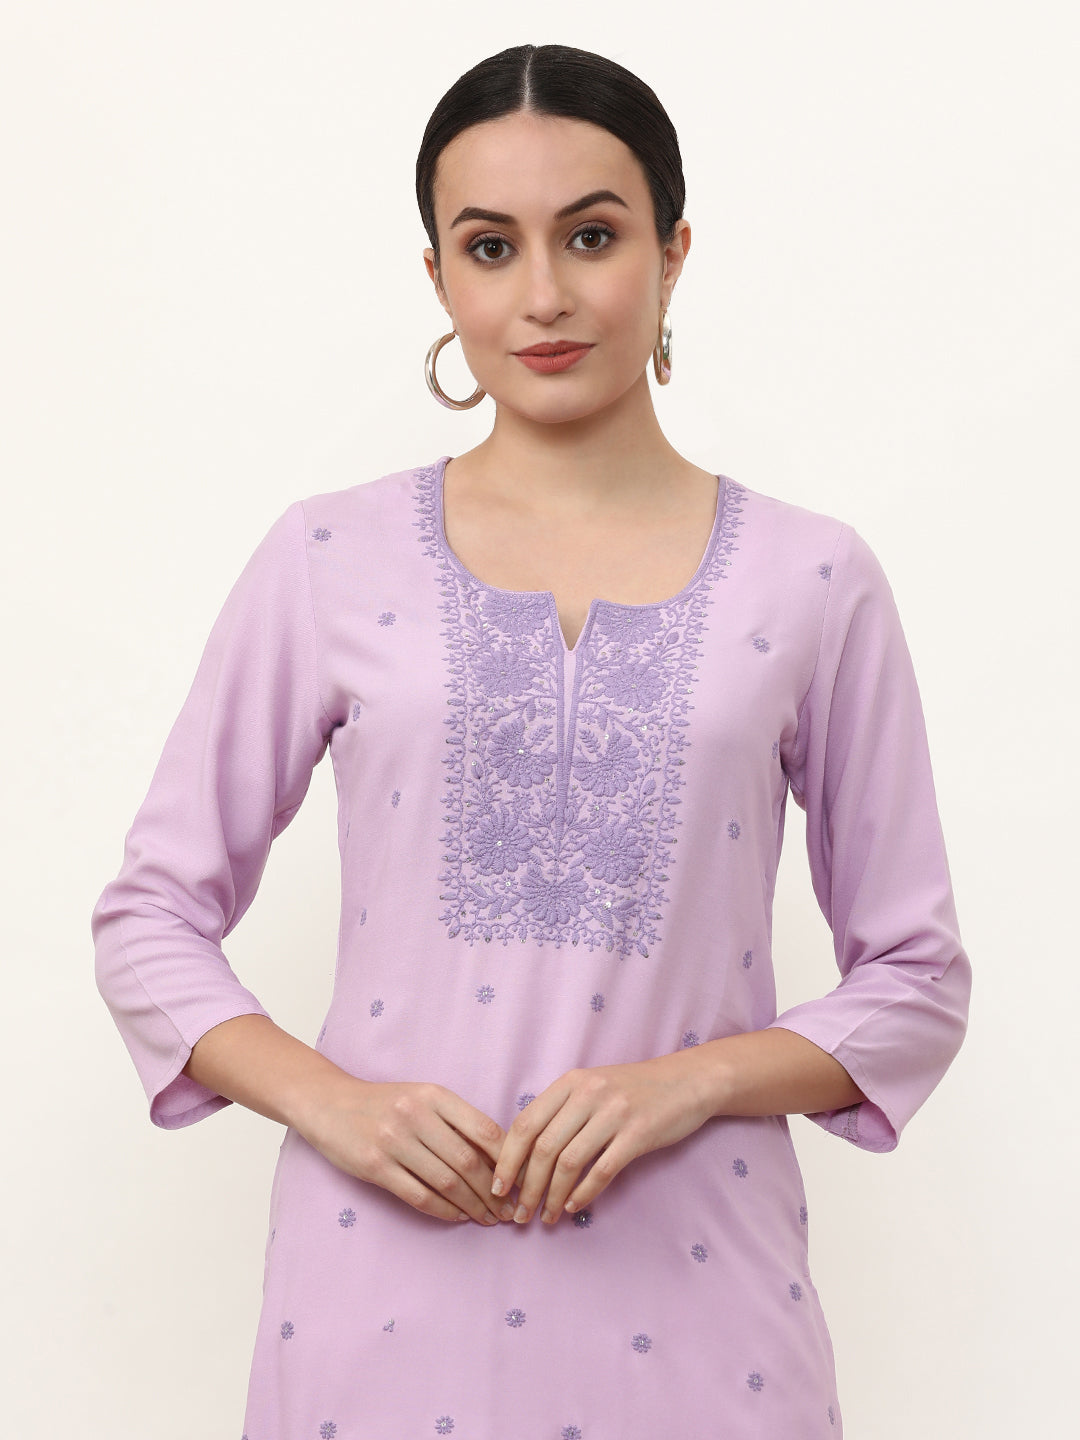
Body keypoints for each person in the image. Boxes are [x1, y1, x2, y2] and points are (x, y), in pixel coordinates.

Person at [92, 41, 971, 1440]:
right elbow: (148, 919)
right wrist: (334, 1105)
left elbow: (917, 978)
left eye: (594, 236)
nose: (544, 294)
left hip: (706, 1301)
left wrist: (693, 1080)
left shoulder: (812, 579)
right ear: (439, 277)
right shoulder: (328, 558)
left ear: (674, 253)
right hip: (376, 1296)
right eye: (491, 247)